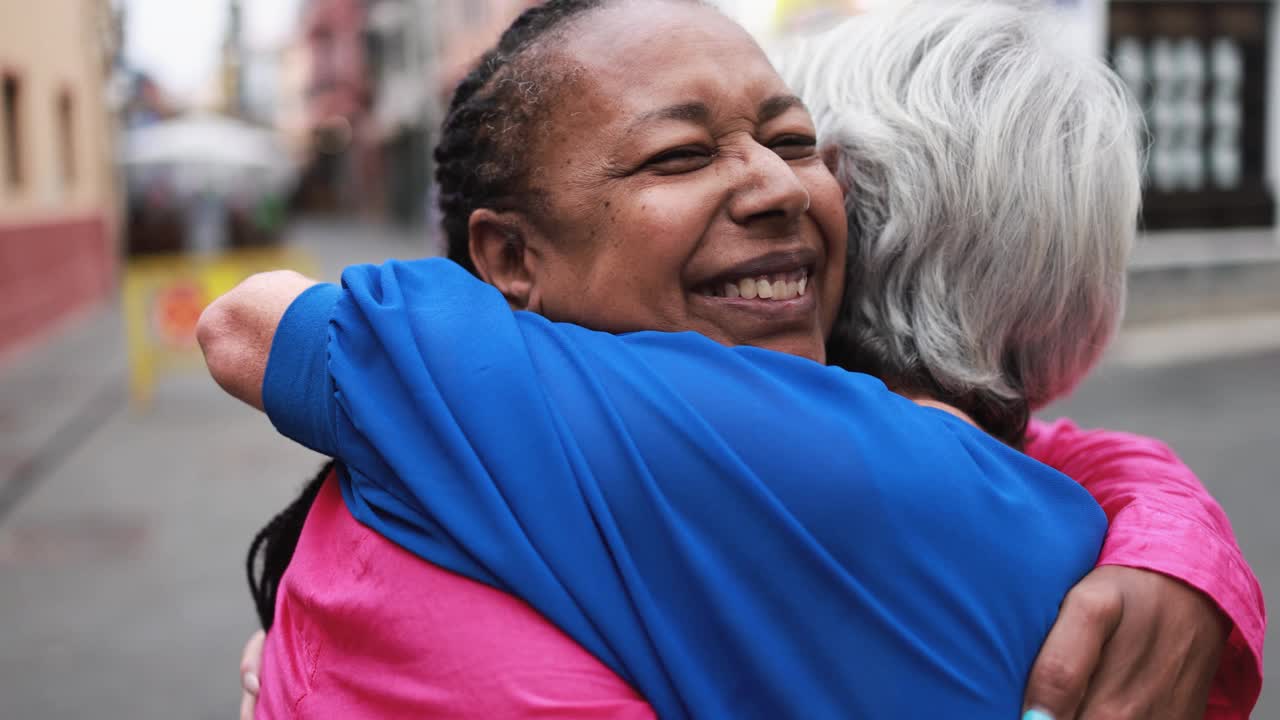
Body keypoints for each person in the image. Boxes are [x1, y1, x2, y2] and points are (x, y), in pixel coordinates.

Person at [211, 0, 1262, 717]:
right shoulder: (1004, 521)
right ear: (508, 255)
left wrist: (1172, 536)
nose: (773, 185)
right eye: (679, 154)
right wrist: (1174, 540)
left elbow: (255, 324)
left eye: (794, 141)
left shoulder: (426, 424)